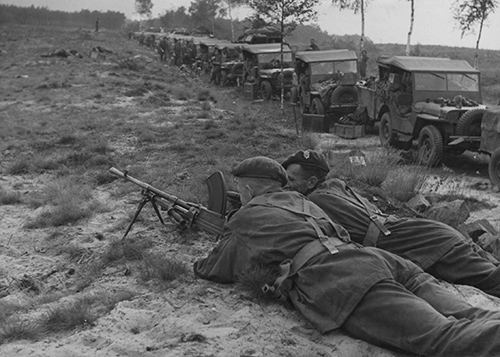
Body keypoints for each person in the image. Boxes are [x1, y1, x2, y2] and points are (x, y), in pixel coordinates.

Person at [195, 156, 500, 356]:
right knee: (472, 316)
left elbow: (214, 267)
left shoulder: (246, 216)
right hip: (381, 260)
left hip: (345, 278)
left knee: (442, 338)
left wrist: (212, 230)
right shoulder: (306, 202)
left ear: (247, 190)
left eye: (239, 189)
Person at [283, 150, 500, 297]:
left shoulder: (315, 200)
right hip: (422, 232)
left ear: (311, 182)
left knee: (490, 280)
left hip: (423, 242)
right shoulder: (335, 185)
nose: (286, 186)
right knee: (487, 266)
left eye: (291, 180)